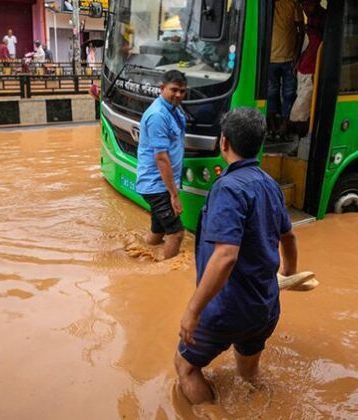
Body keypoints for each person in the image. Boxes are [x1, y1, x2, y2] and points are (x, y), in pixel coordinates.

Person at [175, 108, 298, 404]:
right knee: (249, 374)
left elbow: (226, 255)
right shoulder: (270, 184)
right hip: (265, 306)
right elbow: (289, 236)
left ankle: (211, 413)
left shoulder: (227, 188)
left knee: (186, 368)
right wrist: (288, 274)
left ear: (224, 142)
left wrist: (193, 311)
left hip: (225, 310)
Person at [136, 70, 188, 260]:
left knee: (158, 232)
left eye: (182, 91)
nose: (178, 95)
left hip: (160, 183)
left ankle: (138, 257)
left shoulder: (173, 109)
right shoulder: (158, 115)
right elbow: (161, 158)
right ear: (162, 88)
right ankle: (162, 275)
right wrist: (174, 194)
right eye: (174, 90)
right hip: (156, 185)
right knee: (177, 233)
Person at [267, 0, 304, 139]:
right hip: (270, 60)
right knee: (271, 93)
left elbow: (301, 30)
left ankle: (285, 125)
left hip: (289, 60)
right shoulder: (266, 5)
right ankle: (272, 126)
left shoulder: (292, 4)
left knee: (289, 94)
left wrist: (297, 55)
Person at [289, 0, 326, 136]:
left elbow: (322, 43)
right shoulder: (311, 18)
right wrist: (298, 62)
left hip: (312, 70)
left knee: (299, 113)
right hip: (304, 68)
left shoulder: (324, 18)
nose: (305, 8)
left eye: (308, 4)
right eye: (303, 5)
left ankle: (302, 142)